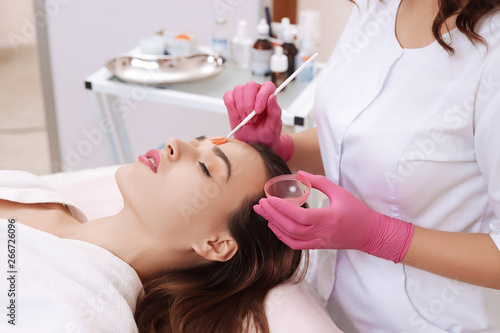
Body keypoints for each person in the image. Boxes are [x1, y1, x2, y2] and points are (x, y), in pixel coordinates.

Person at [223, 0, 500, 331]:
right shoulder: (378, 8)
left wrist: (379, 235)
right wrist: (284, 147)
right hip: (325, 303)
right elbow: (356, 137)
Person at [0, 136, 306, 333]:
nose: (174, 143)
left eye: (205, 168)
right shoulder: (32, 191)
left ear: (214, 244)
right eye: (197, 141)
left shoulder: (84, 315)